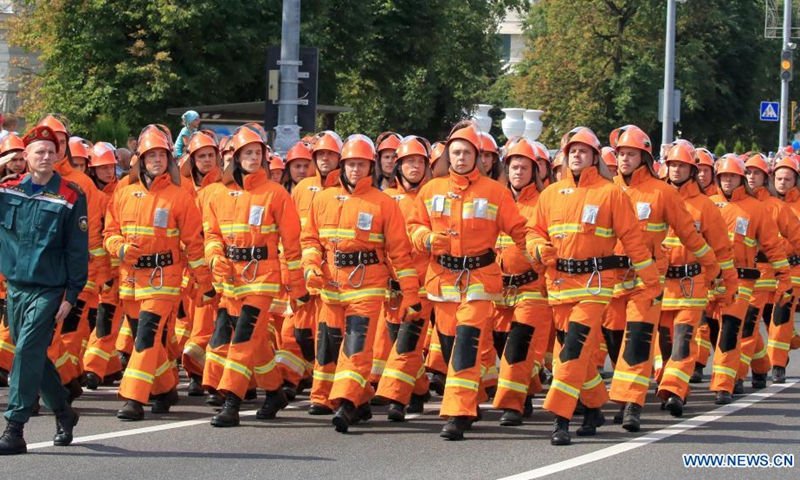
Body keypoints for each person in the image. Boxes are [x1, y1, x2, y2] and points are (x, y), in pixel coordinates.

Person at [525, 126, 662, 446]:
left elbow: (633, 240)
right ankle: (592, 408)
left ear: (595, 157)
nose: (577, 155)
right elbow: (533, 232)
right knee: (579, 355)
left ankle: (560, 418)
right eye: (572, 151)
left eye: (583, 151)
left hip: (595, 287)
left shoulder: (610, 193)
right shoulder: (550, 193)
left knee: (572, 351)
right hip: (560, 287)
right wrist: (537, 248)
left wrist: (651, 281)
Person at [407, 121, 528, 440]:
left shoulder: (495, 192)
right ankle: (471, 400)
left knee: (465, 344)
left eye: (467, 153)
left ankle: (457, 415)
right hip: (443, 280)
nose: (461, 158)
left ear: (478, 156)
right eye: (456, 152)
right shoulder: (430, 190)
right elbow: (414, 226)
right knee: (450, 349)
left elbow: (519, 229)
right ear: (448, 156)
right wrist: (426, 239)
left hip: (480, 280)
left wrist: (538, 249)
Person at [301, 134, 421, 433]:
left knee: (357, 344)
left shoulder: (383, 203)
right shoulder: (322, 199)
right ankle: (362, 399)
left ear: (371, 167)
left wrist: (410, 294)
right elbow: (310, 240)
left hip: (368, 285)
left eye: (362, 165)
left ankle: (346, 402)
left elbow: (400, 253)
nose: (356, 170)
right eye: (351, 164)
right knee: (330, 345)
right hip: (331, 285)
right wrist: (311, 266)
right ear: (342, 166)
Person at [104, 125, 213, 421]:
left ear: (169, 159)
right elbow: (109, 233)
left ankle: (133, 398)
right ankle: (165, 388)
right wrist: (120, 248)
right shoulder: (123, 191)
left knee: (145, 337)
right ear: (140, 160)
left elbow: (195, 244)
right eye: (151, 155)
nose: (156, 160)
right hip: (130, 279)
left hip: (164, 278)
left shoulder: (180, 196)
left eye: (161, 155)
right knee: (148, 339)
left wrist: (204, 282)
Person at [203, 126, 308, 427]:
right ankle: (274, 392)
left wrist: (297, 287)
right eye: (247, 153)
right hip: (232, 280)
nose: (253, 157)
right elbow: (211, 235)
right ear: (236, 157)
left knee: (243, 337)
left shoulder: (275, 193)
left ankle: (231, 400)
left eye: (257, 153)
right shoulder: (218, 194)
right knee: (257, 341)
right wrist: (215, 257)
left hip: (263, 279)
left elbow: (292, 243)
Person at [0, 125, 88, 455]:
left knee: (25, 352)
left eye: (52, 151)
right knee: (32, 353)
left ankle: (15, 428)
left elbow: (76, 250)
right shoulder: (8, 190)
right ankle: (64, 411)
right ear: (24, 156)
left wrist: (72, 295)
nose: (46, 156)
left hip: (49, 290)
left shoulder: (70, 196)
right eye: (39, 151)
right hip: (16, 287)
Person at [655, 141, 736, 418]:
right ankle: (667, 384)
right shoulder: (657, 198)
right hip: (661, 284)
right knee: (665, 343)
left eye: (682, 166)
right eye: (672, 165)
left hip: (692, 283)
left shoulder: (705, 206)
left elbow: (722, 249)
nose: (676, 170)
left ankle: (676, 391)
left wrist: (728, 282)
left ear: (692, 170)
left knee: (683, 339)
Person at [706, 156, 790, 405]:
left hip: (743, 280)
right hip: (711, 280)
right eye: (723, 176)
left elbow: (772, 245)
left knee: (732, 330)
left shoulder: (756, 208)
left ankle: (726, 384)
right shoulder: (708, 204)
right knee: (713, 331)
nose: (727, 180)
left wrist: (784, 275)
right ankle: (761, 364)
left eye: (732, 176)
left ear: (740, 179)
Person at [491, 137, 553, 427]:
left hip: (532, 287)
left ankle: (511, 406)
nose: (518, 172)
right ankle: (527, 391)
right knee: (502, 346)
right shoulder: (496, 200)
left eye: (524, 168)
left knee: (518, 347)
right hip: (498, 289)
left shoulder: (544, 202)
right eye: (514, 167)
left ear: (535, 172)